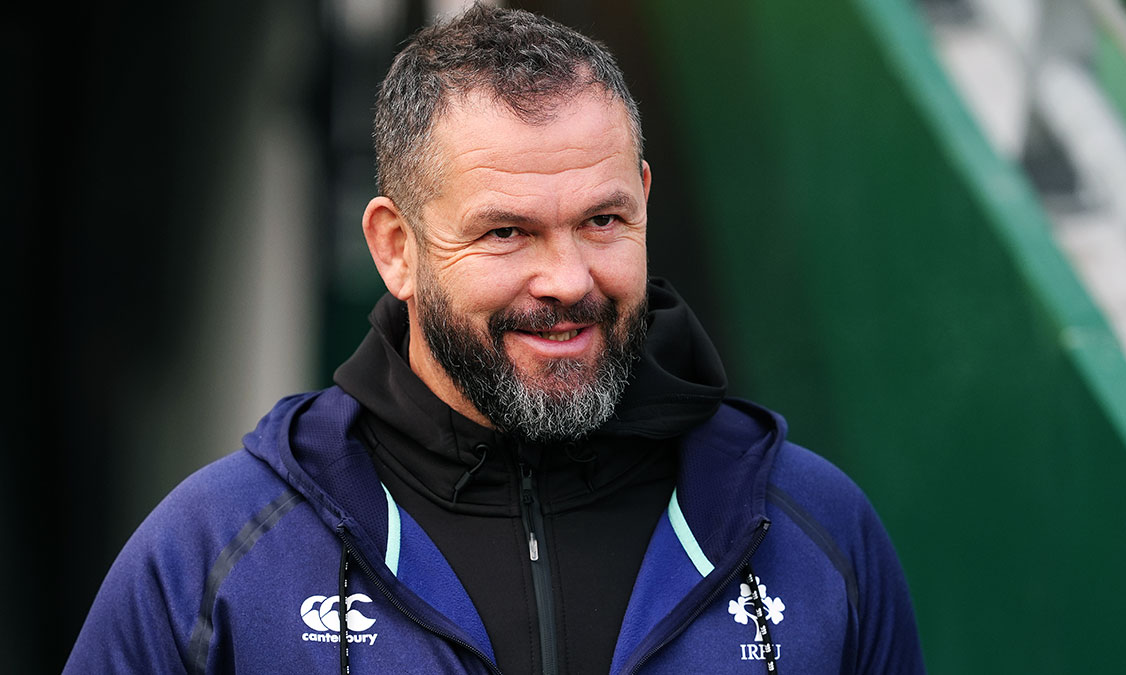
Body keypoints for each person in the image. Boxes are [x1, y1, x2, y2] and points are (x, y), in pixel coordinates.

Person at [66, 5, 924, 674]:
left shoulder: (816, 532)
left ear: (645, 203)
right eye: (508, 232)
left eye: (603, 219)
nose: (568, 280)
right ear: (396, 248)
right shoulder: (218, 555)